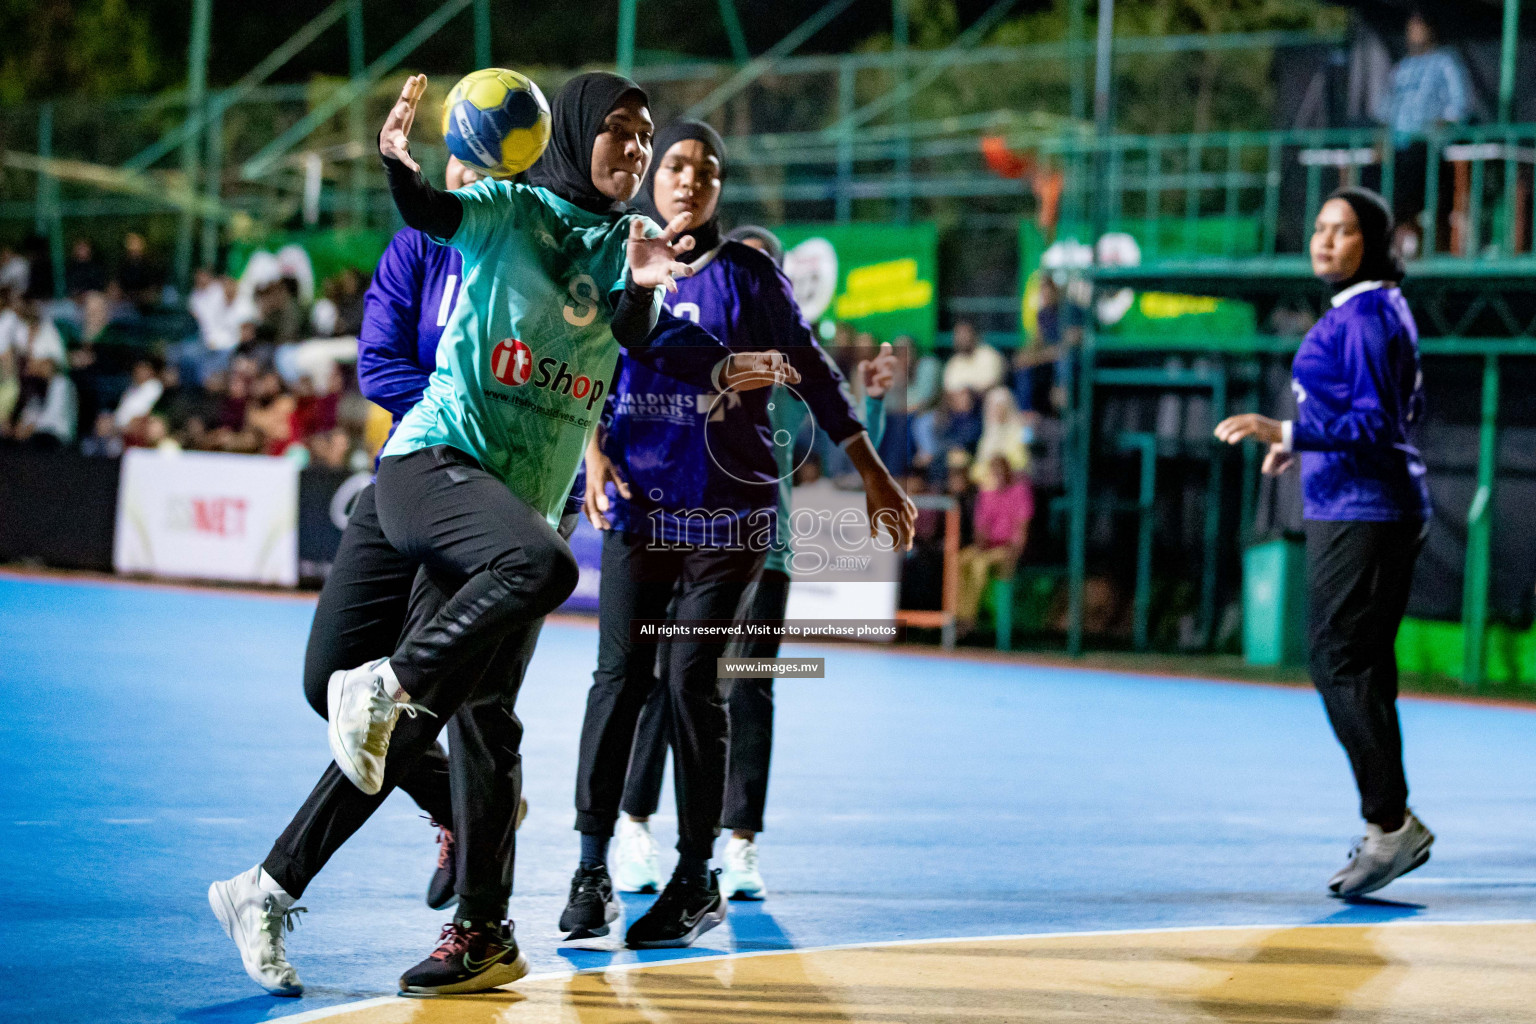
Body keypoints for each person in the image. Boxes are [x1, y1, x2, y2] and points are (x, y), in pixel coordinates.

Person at [212, 70, 797, 1000]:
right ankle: (387, 718)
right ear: (571, 132)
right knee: (352, 682)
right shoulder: (509, 209)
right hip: (430, 468)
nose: (636, 153)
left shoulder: (627, 247)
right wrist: (397, 166)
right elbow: (432, 213)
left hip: (512, 510)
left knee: (479, 716)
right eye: (619, 131)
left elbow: (641, 330)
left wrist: (690, 328)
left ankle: (404, 913)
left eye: (646, 139)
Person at [566, 121, 913, 949]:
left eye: (707, 170)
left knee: (692, 681)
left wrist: (868, 464)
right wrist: (592, 451)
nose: (690, 180)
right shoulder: (619, 257)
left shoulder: (749, 275)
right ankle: (589, 869)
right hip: (644, 506)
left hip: (730, 512)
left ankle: (697, 877)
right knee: (618, 679)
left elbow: (815, 370)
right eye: (677, 165)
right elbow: (581, 361)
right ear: (654, 177)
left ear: (719, 188)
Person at [612, 295, 899, 904]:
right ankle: (634, 826)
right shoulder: (694, 372)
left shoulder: (786, 389)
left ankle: (740, 844)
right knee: (671, 683)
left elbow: (833, 446)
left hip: (768, 559)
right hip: (696, 549)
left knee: (749, 691)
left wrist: (873, 400)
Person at [1215, 186, 1433, 899]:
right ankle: (1390, 824)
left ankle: (1389, 824)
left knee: (1338, 661)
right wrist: (1305, 448)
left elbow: (1380, 425)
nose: (1325, 240)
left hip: (1364, 510)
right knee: (1360, 667)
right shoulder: (1369, 310)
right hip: (1359, 499)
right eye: (1319, 228)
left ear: (1371, 242)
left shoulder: (1366, 315)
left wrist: (1287, 433)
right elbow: (1381, 410)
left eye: (1342, 231)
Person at [954, 453, 1033, 637]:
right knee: (959, 561)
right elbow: (981, 526)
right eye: (993, 471)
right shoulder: (986, 493)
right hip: (987, 547)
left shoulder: (1020, 492)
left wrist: (1015, 552)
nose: (996, 475)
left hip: (1007, 549)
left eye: (1000, 471)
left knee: (979, 566)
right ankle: (957, 616)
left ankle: (969, 620)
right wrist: (981, 541)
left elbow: (1021, 528)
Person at [941, 319, 1004, 398]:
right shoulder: (953, 362)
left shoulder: (989, 354)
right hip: (958, 405)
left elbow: (993, 384)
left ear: (974, 335)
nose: (961, 338)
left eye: (965, 334)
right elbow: (948, 390)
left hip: (982, 401)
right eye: (958, 335)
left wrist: (970, 394)